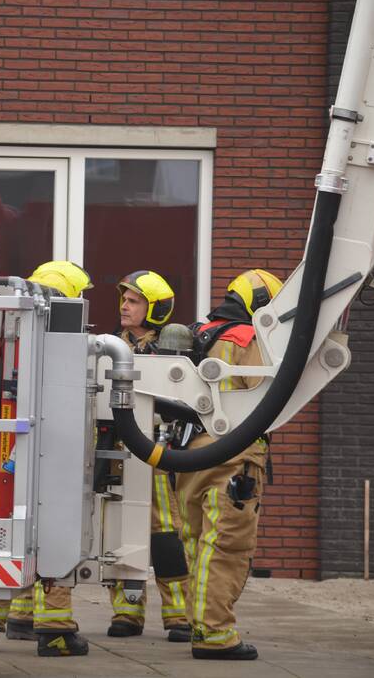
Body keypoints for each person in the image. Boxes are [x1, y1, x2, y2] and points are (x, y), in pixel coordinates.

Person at [0, 260, 91, 658]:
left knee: (6, 535)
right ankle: (55, 633)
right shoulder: (55, 330)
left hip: (2, 450)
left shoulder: (3, 325)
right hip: (47, 451)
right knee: (54, 533)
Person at [176, 269, 282, 660]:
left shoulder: (199, 334)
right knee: (226, 546)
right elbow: (266, 395)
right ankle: (214, 632)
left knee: (196, 542)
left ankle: (197, 620)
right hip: (234, 457)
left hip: (187, 454)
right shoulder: (248, 340)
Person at [106, 271, 192, 643]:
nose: (125, 306)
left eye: (134, 301)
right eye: (124, 299)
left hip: (156, 456)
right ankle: (127, 611)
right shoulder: (108, 346)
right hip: (116, 454)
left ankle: (178, 615)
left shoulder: (167, 353)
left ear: (154, 309)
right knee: (119, 529)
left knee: (165, 533)